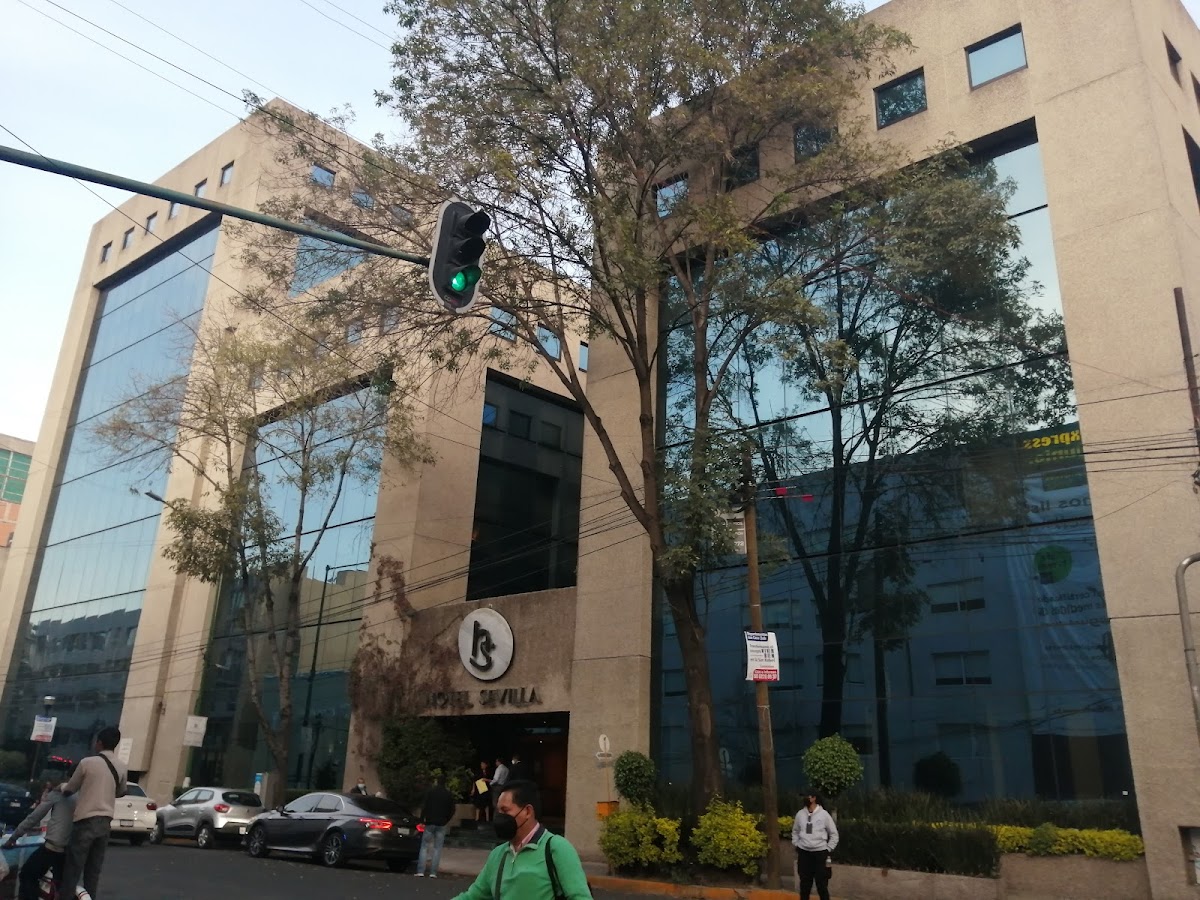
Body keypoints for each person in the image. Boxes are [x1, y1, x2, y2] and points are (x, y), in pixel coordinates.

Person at [452, 780, 591, 900]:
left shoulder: (556, 848)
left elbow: (580, 897)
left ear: (528, 812)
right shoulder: (498, 854)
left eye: (505, 810)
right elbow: (473, 896)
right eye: (498, 811)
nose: (499, 817)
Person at [59, 726, 127, 900]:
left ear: (99, 743)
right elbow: (121, 792)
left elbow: (70, 788)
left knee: (73, 869)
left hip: (85, 820)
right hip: (105, 822)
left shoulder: (87, 763)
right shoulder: (121, 766)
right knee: (93, 870)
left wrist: (61, 787)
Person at [2, 766, 77, 900]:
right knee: (62, 883)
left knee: (27, 875)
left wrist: (13, 838)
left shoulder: (59, 793)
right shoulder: (88, 795)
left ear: (68, 777)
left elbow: (34, 817)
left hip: (54, 846)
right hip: (74, 848)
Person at [791, 790, 838, 900]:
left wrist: (828, 849)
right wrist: (797, 844)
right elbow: (795, 831)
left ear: (814, 798)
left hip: (820, 854)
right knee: (804, 885)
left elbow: (834, 834)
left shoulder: (824, 815)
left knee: (821, 885)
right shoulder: (800, 814)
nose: (805, 799)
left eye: (807, 796)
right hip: (804, 854)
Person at [415, 772, 455, 878]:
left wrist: (422, 820)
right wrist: (446, 819)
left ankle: (420, 871)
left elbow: (424, 806)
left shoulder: (430, 792)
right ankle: (433, 872)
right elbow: (452, 809)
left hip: (430, 821)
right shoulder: (448, 794)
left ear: (437, 781)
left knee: (424, 846)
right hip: (441, 823)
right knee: (437, 848)